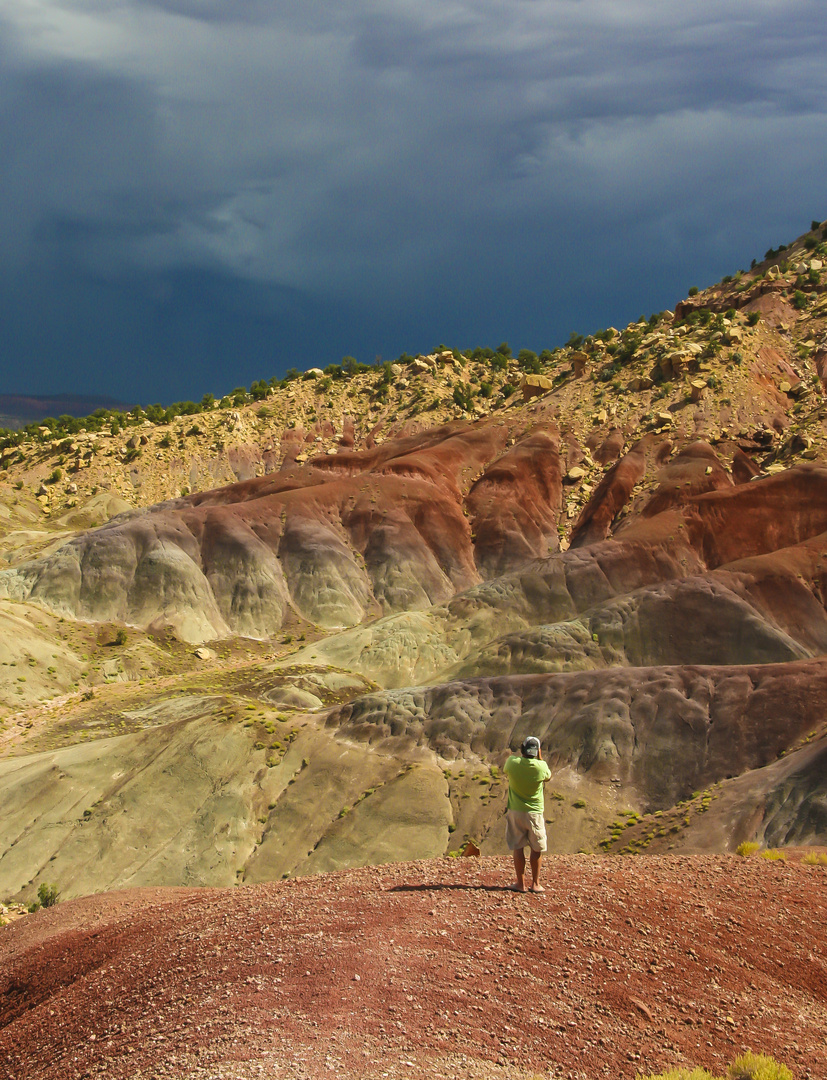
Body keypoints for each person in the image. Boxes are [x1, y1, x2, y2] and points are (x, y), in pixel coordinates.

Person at [503, 736, 551, 893]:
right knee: (536, 849)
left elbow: (506, 769)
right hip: (535, 813)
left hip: (515, 810)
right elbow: (548, 777)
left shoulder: (512, 763)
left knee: (518, 847)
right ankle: (535, 884)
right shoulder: (541, 767)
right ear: (537, 752)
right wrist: (540, 757)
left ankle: (520, 884)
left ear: (522, 749)